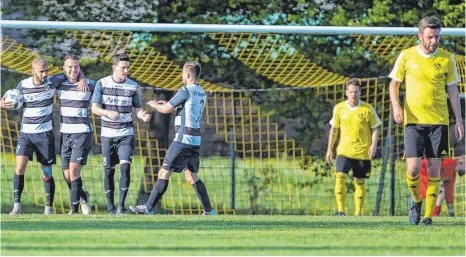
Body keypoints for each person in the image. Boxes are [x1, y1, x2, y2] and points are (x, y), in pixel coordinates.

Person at [389, 16, 463, 225]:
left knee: (434, 169)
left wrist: (458, 119)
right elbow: (394, 84)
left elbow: (452, 90)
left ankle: (428, 216)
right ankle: (415, 202)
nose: (433, 41)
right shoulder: (406, 56)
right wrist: (397, 106)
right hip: (413, 121)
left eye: (437, 36)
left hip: (438, 122)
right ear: (420, 35)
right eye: (430, 37)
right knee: (412, 169)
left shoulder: (447, 58)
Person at [1, 57, 87, 215]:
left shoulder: (52, 81)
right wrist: (2, 103)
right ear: (32, 71)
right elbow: (11, 99)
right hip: (26, 134)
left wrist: (81, 80)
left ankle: (49, 208)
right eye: (41, 71)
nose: (45, 74)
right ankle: (17, 206)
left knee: (46, 172)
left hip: (44, 135)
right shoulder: (23, 85)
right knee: (19, 167)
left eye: (46, 70)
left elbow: (72, 71)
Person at [129, 60, 216, 215]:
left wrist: (154, 104)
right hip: (195, 140)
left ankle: (148, 208)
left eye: (183, 73)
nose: (182, 76)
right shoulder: (201, 91)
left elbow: (164, 110)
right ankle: (209, 210)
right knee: (191, 176)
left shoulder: (185, 90)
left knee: (163, 173)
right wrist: (168, 103)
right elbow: (186, 106)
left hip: (182, 140)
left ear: (187, 74)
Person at [91, 53, 151, 215]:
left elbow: (138, 109)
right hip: (107, 135)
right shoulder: (101, 83)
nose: (125, 71)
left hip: (126, 134)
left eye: (127, 68)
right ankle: (110, 208)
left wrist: (142, 115)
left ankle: (120, 207)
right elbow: (94, 108)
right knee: (109, 170)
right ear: (114, 68)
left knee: (125, 167)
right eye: (123, 68)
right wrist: (107, 113)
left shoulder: (133, 86)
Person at [326, 78, 382, 216]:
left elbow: (375, 128)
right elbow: (334, 130)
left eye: (356, 92)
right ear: (346, 93)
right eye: (351, 92)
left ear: (360, 92)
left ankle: (358, 213)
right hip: (344, 151)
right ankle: (341, 211)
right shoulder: (339, 108)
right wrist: (329, 149)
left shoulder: (368, 108)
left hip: (362, 151)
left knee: (360, 182)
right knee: (339, 177)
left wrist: (373, 145)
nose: (353, 94)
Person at [57, 54, 95, 215]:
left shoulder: (90, 85)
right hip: (65, 134)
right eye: (70, 67)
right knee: (66, 175)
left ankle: (73, 210)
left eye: (76, 66)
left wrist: (83, 80)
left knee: (73, 170)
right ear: (64, 69)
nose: (74, 69)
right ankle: (83, 197)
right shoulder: (58, 85)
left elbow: (108, 86)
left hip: (82, 133)